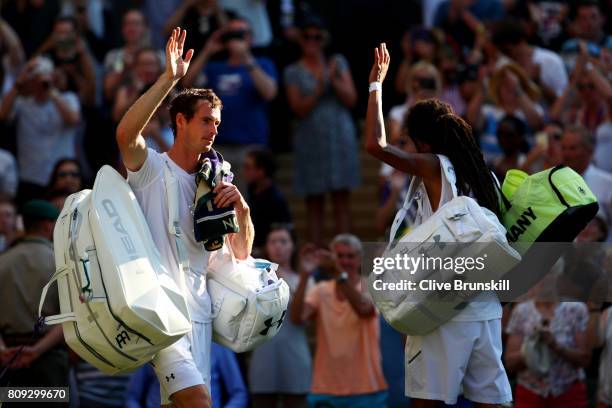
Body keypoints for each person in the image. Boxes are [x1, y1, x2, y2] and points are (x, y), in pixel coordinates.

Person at [365, 43, 512, 407]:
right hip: (486, 309)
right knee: (493, 402)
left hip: (441, 309)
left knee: (426, 403)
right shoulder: (487, 177)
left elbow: (375, 146)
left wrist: (376, 87)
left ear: (424, 142)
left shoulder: (434, 166)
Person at [115, 28, 254, 408]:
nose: (214, 130)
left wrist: (241, 209)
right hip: (160, 311)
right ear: (180, 121)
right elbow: (126, 134)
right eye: (206, 121)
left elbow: (240, 253)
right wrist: (169, 79)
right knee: (198, 402)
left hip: (201, 311)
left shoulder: (218, 177)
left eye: (217, 123)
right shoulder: (152, 169)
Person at [283, 17, 360, 245]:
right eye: (307, 36)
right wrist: (320, 83)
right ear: (301, 39)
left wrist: (331, 78)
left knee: (341, 200)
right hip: (311, 137)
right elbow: (298, 108)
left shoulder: (337, 62)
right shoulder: (293, 71)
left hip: (339, 135)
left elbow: (351, 98)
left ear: (324, 39)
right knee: (313, 202)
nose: (312, 42)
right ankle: (315, 259)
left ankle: (345, 256)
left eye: (317, 37)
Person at [291, 234, 388, 407]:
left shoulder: (373, 285)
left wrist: (339, 274)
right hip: (325, 389)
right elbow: (297, 318)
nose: (344, 261)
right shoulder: (320, 290)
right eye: (339, 256)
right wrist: (305, 275)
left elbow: (363, 309)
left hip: (366, 388)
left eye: (350, 256)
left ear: (360, 260)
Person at [181, 15, 278, 185]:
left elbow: (269, 93)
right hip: (219, 144)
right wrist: (207, 51)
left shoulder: (262, 63)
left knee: (248, 205)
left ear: (250, 38)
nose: (235, 39)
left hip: (251, 145)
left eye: (240, 34)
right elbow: (187, 84)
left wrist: (247, 58)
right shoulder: (215, 67)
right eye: (231, 34)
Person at [0, 200, 68, 406]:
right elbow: (70, 318)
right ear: (48, 225)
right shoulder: (62, 262)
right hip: (48, 361)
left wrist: (2, 350)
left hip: (8, 360)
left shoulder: (3, 261)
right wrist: (37, 350)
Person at [0, 56, 81, 205]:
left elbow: (73, 119)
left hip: (62, 177)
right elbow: (3, 115)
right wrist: (18, 84)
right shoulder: (22, 104)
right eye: (35, 77)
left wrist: (50, 90)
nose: (39, 81)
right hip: (31, 178)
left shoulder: (68, 98)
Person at [249, 226, 312, 408]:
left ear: (292, 246)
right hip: (263, 353)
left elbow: (301, 317)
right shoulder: (255, 278)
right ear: (266, 247)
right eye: (273, 242)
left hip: (295, 352)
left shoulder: (305, 279)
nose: (278, 246)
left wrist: (283, 276)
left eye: (283, 241)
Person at [560, 125, 612, 242]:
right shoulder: (553, 182)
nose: (566, 154)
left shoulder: (608, 183)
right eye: (563, 148)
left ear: (589, 151)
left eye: (572, 148)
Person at [241, 148, 292, 252]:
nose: (244, 171)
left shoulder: (276, 200)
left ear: (261, 171)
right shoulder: (252, 190)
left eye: (248, 167)